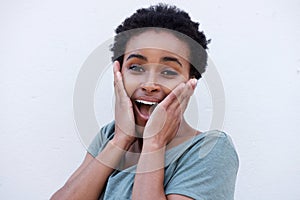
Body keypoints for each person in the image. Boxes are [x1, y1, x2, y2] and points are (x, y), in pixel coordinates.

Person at [51, 4, 238, 200]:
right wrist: (120, 141)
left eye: (168, 71)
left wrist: (154, 143)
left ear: (191, 82)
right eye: (136, 67)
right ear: (119, 74)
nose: (150, 85)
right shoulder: (109, 135)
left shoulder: (210, 149)